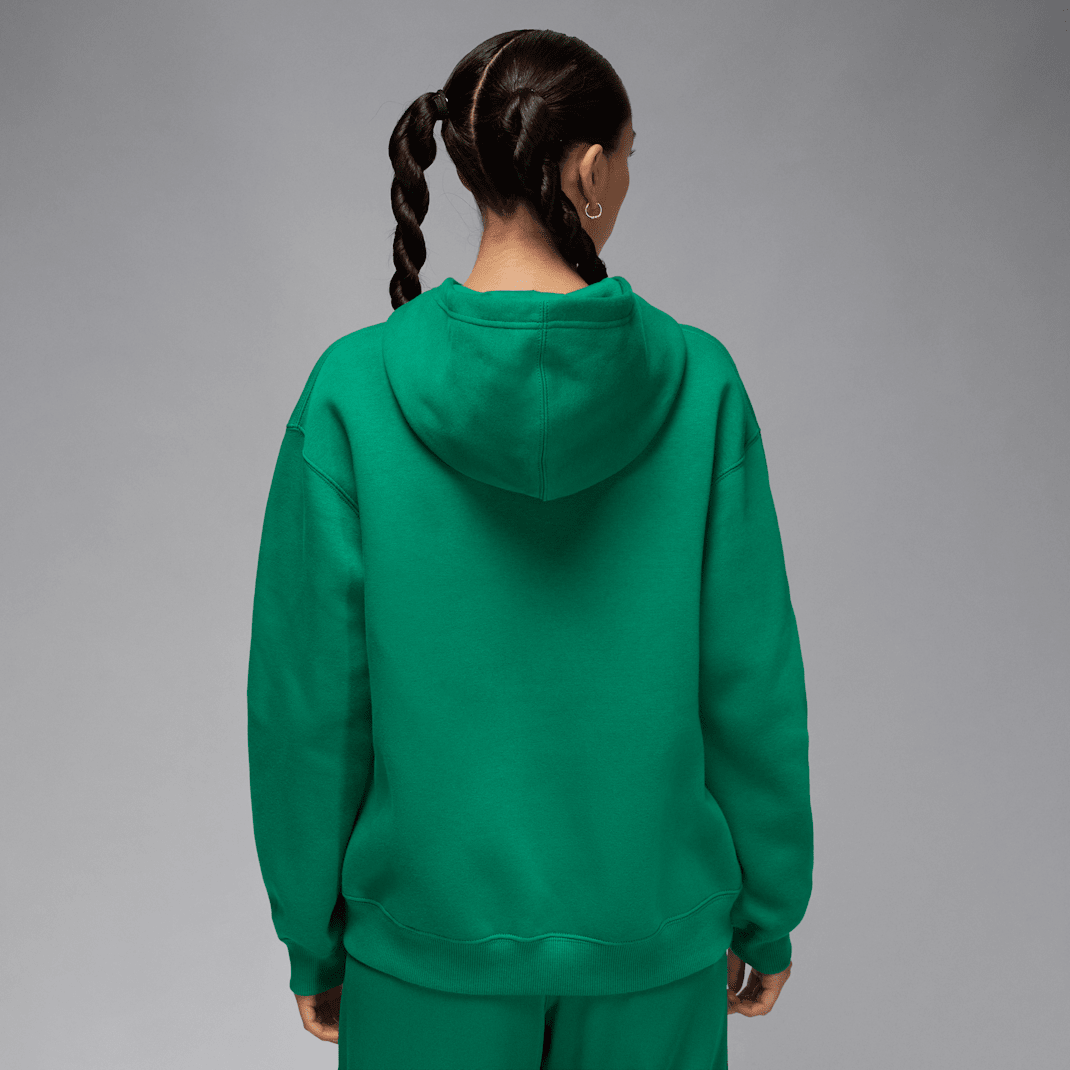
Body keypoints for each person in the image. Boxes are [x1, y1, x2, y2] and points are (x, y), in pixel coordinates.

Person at [247, 27, 813, 1070]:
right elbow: (751, 681)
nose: (628, 175)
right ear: (589, 171)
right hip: (653, 946)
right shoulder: (700, 384)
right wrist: (767, 910)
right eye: (630, 155)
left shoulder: (351, 390)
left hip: (423, 949)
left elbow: (308, 707)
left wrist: (312, 936)